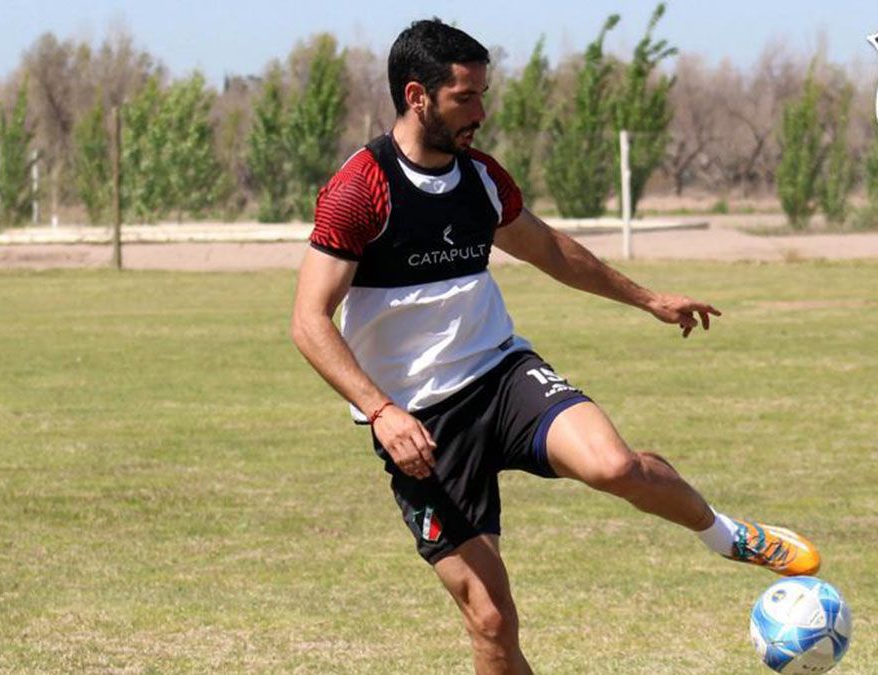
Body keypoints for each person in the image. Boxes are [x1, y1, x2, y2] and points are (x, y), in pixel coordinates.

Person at [289, 18, 820, 675]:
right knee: (490, 621)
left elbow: (549, 249)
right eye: (465, 98)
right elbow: (309, 321)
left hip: (501, 375)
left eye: (483, 95)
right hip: (419, 422)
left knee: (615, 466)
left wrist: (648, 298)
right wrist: (382, 411)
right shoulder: (360, 190)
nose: (481, 113)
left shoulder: (480, 178)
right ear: (417, 96)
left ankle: (726, 533)